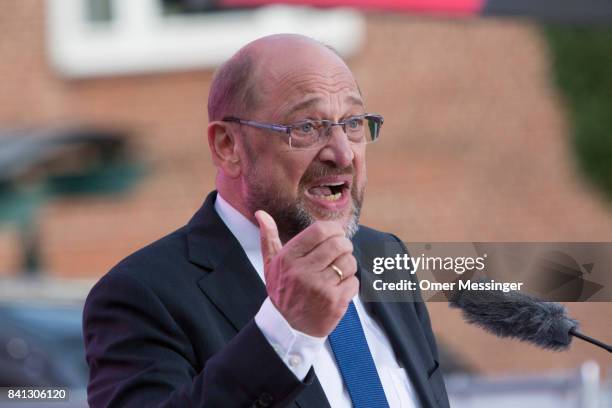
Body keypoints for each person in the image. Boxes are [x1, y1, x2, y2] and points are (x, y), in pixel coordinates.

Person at [83, 34, 450, 408]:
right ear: (228, 147)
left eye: (354, 123)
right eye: (306, 127)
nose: (343, 153)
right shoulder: (142, 295)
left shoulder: (384, 256)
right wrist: (285, 331)